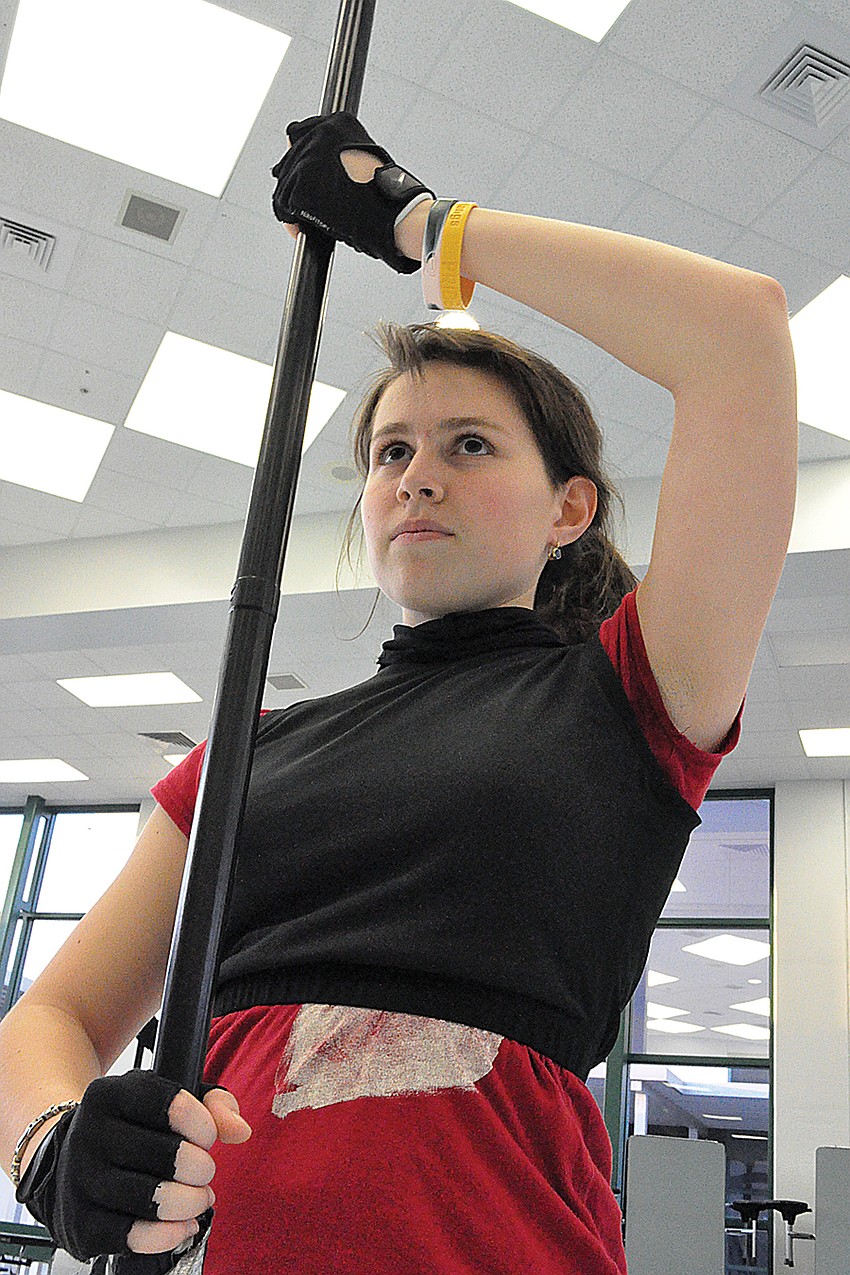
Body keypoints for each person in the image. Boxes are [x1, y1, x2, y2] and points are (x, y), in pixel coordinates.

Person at [0, 110, 785, 1274]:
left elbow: (737, 333)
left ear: (569, 510)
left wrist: (427, 223)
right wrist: (53, 1147)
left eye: (470, 445)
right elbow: (48, 1021)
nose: (417, 473)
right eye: (390, 452)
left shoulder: (627, 694)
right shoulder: (242, 753)